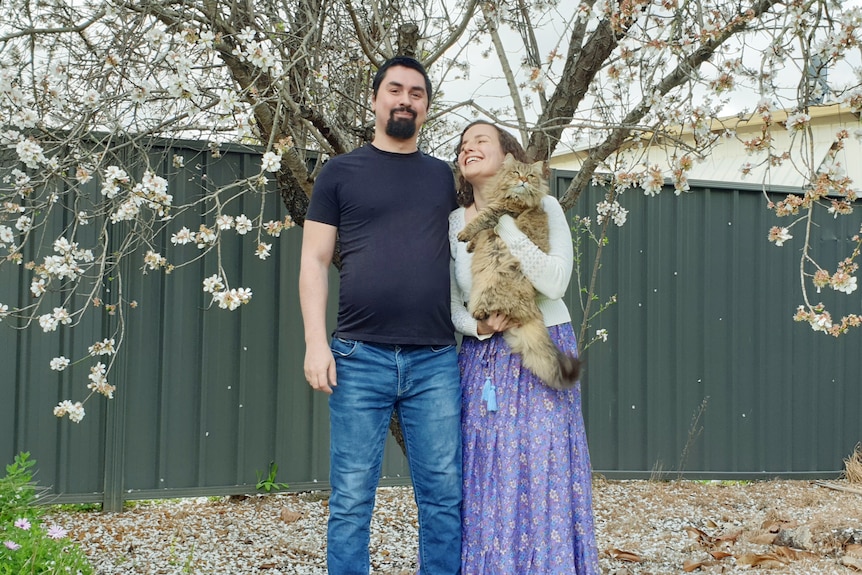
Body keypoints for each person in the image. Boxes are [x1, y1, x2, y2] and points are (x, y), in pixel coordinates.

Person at [299, 56, 462, 575]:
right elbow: (314, 260)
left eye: (417, 93)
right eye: (395, 89)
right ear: (374, 99)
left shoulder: (445, 178)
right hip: (357, 356)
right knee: (350, 499)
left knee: (442, 497)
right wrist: (315, 343)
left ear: (426, 107)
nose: (405, 99)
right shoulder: (340, 173)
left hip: (435, 360)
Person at [449, 120, 600, 574]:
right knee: (487, 473)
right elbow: (450, 305)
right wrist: (477, 329)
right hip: (482, 361)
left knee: (544, 471)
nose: (467, 148)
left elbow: (555, 282)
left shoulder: (546, 206)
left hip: (540, 351)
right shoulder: (456, 223)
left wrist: (506, 224)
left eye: (480, 141)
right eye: (462, 144)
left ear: (508, 155)